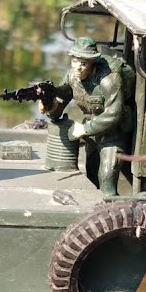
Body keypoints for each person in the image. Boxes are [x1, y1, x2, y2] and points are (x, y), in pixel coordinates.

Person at [41, 37, 131, 196]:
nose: (79, 68)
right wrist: (48, 105)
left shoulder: (109, 80)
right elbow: (57, 112)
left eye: (84, 63)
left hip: (113, 134)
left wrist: (85, 128)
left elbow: (114, 113)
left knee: (107, 178)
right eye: (75, 62)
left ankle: (111, 214)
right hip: (92, 135)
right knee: (91, 176)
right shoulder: (71, 77)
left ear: (92, 63)